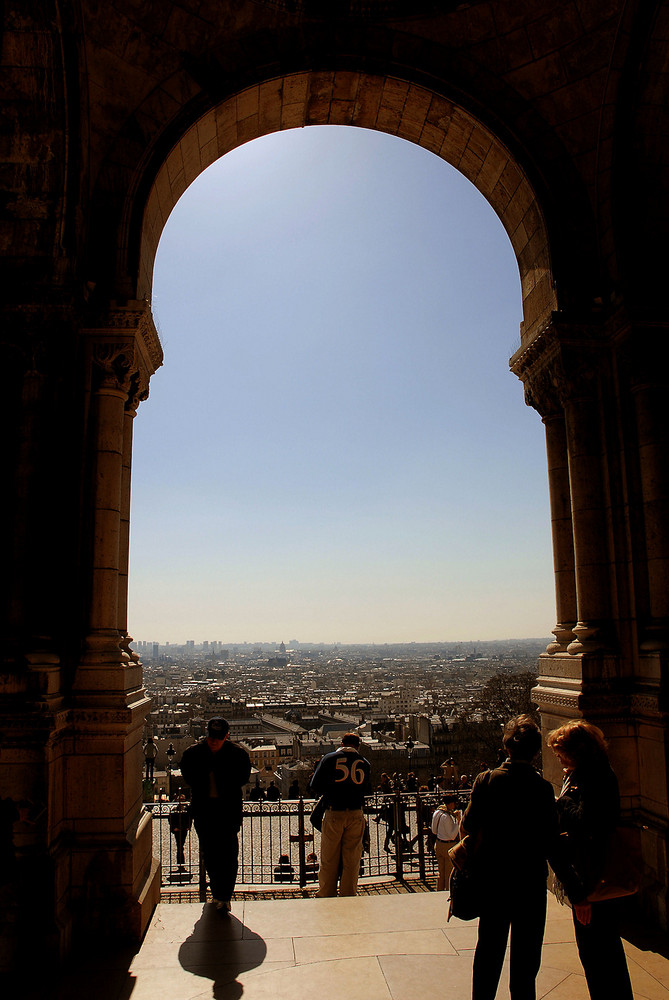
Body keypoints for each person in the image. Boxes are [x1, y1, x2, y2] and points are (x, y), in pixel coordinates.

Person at [461, 714, 564, 1000]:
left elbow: (469, 824)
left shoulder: (487, 780)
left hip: (493, 879)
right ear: (535, 752)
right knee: (526, 961)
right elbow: (550, 841)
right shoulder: (542, 788)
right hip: (530, 882)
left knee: (489, 953)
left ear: (507, 748)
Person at [546, 720, 634, 1000]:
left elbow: (588, 821)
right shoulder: (593, 773)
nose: (557, 758)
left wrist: (560, 802)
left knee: (597, 953)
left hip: (591, 873)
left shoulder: (591, 778)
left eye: (560, 752)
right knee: (603, 951)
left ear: (576, 752)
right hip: (592, 869)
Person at [179, 717, 251, 913]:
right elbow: (241, 779)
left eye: (217, 738)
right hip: (215, 811)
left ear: (226, 736)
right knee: (211, 855)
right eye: (212, 737)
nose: (213, 741)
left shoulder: (194, 754)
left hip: (216, 811)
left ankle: (223, 894)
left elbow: (189, 777)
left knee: (227, 855)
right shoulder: (237, 755)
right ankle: (220, 892)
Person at [308, 732, 372, 897]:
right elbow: (367, 790)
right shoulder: (364, 763)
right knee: (352, 858)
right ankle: (348, 893)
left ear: (341, 743)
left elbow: (315, 785)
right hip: (356, 812)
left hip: (334, 811)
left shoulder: (329, 759)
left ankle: (326, 892)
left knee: (329, 856)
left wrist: (331, 790)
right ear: (358, 746)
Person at [431, 793, 461, 891]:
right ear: (450, 803)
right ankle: (448, 893)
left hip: (438, 844)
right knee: (449, 873)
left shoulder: (437, 812)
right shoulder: (446, 817)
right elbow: (452, 836)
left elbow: (433, 831)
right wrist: (458, 821)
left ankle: (439, 891)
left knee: (441, 872)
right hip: (447, 845)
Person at [168, 795, 192, 866]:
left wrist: (188, 827)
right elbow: (170, 819)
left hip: (184, 829)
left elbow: (190, 818)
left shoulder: (186, 809)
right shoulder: (174, 809)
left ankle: (181, 860)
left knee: (181, 844)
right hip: (177, 829)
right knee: (179, 845)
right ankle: (180, 861)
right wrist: (174, 827)